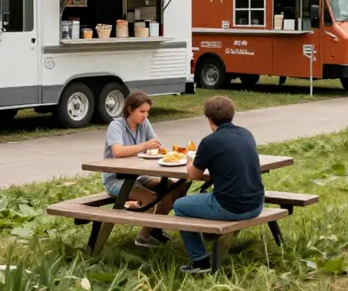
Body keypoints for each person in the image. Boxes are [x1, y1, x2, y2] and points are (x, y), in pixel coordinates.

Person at [174, 96, 265, 274]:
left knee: (179, 206)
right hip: (256, 204)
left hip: (230, 207)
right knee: (212, 197)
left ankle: (199, 260)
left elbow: (194, 175)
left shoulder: (209, 141)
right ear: (232, 114)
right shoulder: (246, 133)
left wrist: (188, 160)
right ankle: (209, 235)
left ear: (209, 119)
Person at [102, 90, 188, 248]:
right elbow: (118, 152)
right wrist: (145, 146)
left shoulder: (144, 124)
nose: (145, 115)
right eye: (142, 111)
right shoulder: (116, 126)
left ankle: (155, 228)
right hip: (116, 179)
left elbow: (155, 145)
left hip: (139, 176)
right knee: (151, 197)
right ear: (129, 109)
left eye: (147, 111)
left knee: (176, 186)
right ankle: (143, 237)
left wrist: (155, 148)